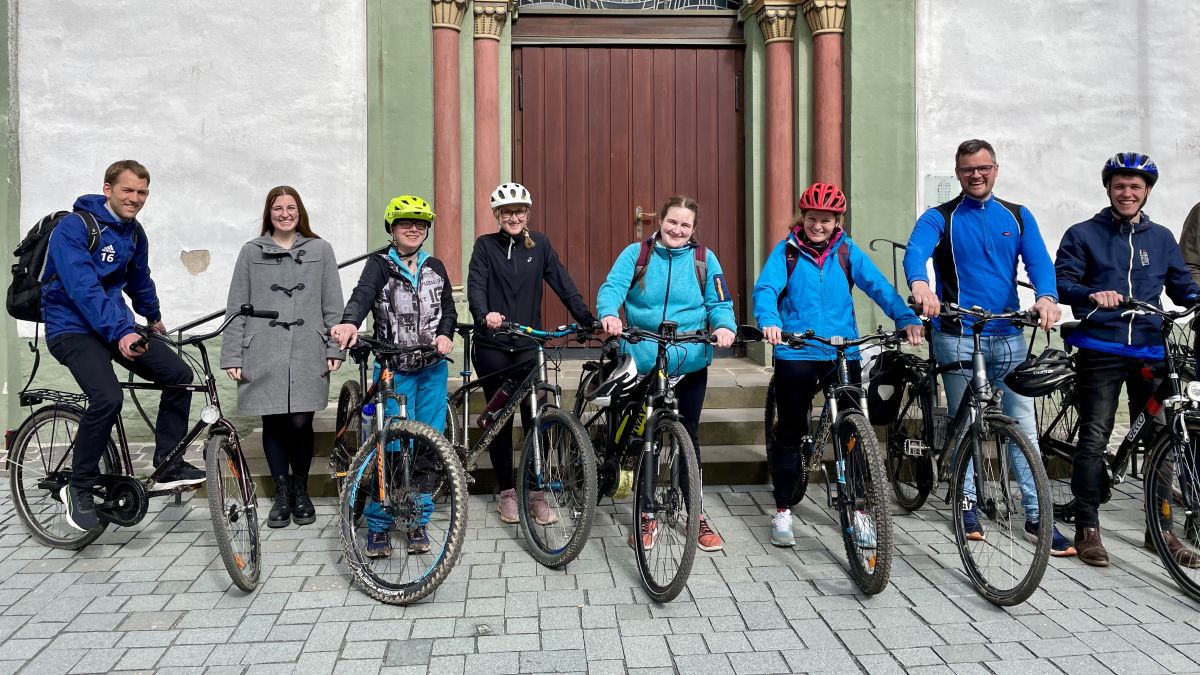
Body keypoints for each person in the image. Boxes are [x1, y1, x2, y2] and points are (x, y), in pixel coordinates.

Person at [903, 139, 1075, 556]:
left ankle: (1037, 516)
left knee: (1022, 428)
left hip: (1009, 334)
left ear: (995, 169)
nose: (976, 175)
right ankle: (965, 506)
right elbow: (915, 253)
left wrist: (1046, 297)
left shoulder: (1016, 215)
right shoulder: (940, 217)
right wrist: (921, 285)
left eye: (983, 168)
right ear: (958, 173)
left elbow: (1039, 262)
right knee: (964, 424)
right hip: (958, 334)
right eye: (967, 170)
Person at [753, 182, 923, 547]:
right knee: (790, 431)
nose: (818, 226)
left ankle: (859, 510)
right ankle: (783, 510)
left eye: (826, 220)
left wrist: (906, 317)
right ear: (803, 218)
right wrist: (770, 320)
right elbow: (766, 289)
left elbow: (878, 286)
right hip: (797, 350)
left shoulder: (847, 251)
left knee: (853, 430)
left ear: (837, 222)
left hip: (842, 351)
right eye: (812, 218)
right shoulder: (787, 252)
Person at [1054, 152, 1200, 567]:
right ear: (1108, 189)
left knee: (1162, 440)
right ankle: (1088, 528)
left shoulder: (1162, 238)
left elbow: (1182, 286)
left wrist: (1196, 298)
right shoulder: (1083, 233)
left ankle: (1160, 531)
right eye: (1120, 186)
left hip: (1152, 348)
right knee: (1095, 436)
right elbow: (1063, 282)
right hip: (1101, 345)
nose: (1127, 193)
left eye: (1135, 186)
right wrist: (1091, 294)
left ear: (1147, 191)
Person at [42, 160, 199, 532]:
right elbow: (83, 288)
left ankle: (168, 463)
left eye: (142, 192)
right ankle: (78, 488)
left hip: (115, 325)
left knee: (178, 374)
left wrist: (152, 318)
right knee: (108, 397)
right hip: (71, 328)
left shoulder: (134, 233)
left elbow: (139, 280)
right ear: (108, 189)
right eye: (128, 190)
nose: (135, 198)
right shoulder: (74, 228)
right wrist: (120, 332)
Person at [597, 195, 736, 552]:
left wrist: (724, 326)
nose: (677, 229)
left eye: (685, 225)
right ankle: (646, 514)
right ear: (660, 220)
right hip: (644, 358)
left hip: (689, 361)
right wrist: (609, 313)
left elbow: (719, 301)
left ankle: (695, 514)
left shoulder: (704, 259)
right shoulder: (637, 255)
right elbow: (612, 288)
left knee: (689, 438)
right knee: (645, 439)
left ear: (693, 229)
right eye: (672, 221)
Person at [330, 195, 455, 557]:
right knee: (393, 445)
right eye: (405, 223)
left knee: (429, 445)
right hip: (394, 368)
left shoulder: (435, 266)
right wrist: (350, 322)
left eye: (420, 223)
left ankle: (417, 518)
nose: (413, 229)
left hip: (432, 368)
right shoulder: (379, 265)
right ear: (392, 229)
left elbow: (447, 308)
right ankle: (379, 523)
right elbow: (362, 296)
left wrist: (445, 334)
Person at [466, 182, 597, 526]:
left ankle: (536, 491)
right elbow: (476, 285)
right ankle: (507, 492)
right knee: (500, 419)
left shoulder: (540, 245)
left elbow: (562, 282)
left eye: (519, 211)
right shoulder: (485, 246)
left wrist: (586, 319)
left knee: (536, 416)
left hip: (528, 345)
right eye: (507, 212)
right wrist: (484, 314)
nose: (514, 217)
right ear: (497, 215)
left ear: (527, 213)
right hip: (493, 344)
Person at [220, 186, 345, 529]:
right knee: (274, 420)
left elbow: (333, 304)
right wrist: (232, 354)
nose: (285, 214)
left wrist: (335, 346)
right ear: (269, 213)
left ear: (299, 212)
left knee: (301, 421)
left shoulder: (320, 249)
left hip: (308, 346)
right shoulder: (251, 251)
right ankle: (281, 493)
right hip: (263, 348)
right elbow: (236, 305)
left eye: (291, 207)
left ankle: (301, 490)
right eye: (278, 208)